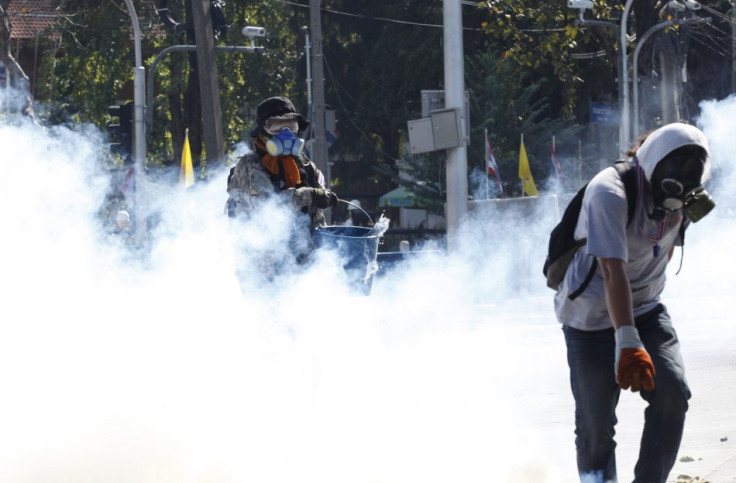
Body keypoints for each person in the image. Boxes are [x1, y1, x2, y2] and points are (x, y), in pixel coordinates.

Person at [554, 123, 716, 483]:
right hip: (589, 319)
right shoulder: (609, 192)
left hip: (644, 308)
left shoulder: (685, 200)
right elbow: (614, 271)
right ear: (654, 164)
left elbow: (664, 249)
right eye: (674, 179)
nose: (681, 191)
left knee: (673, 392)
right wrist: (626, 341)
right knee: (596, 426)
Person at [226, 96, 338, 252]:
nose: (286, 135)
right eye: (276, 129)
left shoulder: (306, 167)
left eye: (291, 127)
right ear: (262, 134)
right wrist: (309, 194)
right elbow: (268, 208)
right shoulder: (248, 167)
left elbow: (317, 220)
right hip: (261, 260)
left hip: (303, 261)